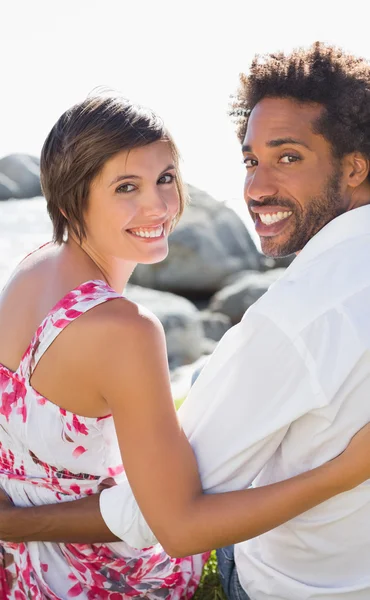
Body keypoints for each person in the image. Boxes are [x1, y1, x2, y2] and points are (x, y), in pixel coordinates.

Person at [0, 66, 370, 599]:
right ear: (69, 200)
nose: (158, 206)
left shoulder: (32, 268)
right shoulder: (126, 330)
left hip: (29, 563)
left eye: (166, 178)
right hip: (98, 573)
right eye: (126, 187)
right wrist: (344, 471)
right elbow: (179, 527)